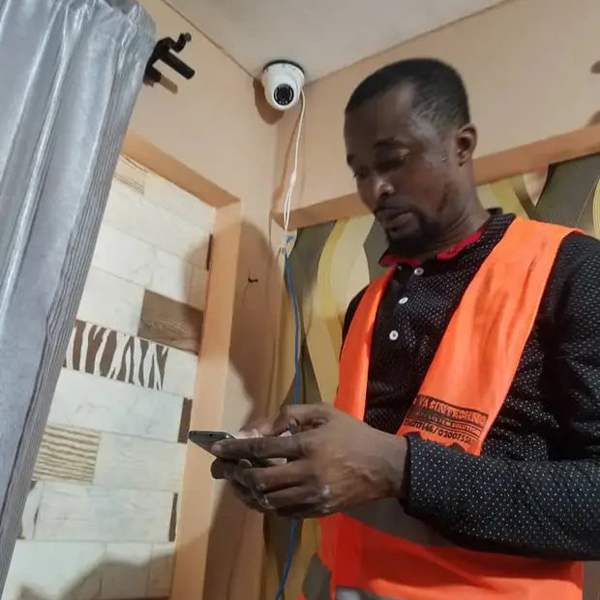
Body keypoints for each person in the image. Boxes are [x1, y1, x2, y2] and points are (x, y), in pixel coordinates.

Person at [211, 58, 600, 600]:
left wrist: (400, 467)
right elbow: (362, 471)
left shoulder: (575, 271)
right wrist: (297, 472)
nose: (376, 189)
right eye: (359, 172)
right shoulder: (365, 305)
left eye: (393, 160)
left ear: (461, 146)